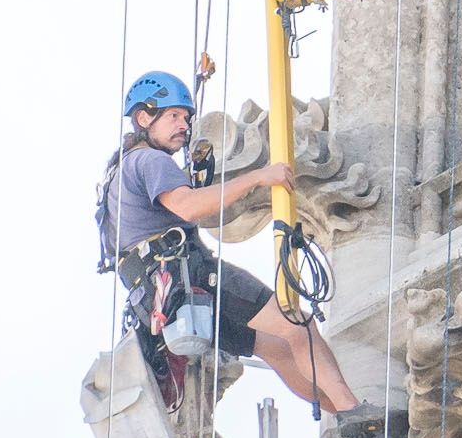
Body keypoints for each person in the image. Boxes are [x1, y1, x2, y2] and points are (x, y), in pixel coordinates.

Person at [98, 69, 361, 414]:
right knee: (298, 324)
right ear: (144, 117)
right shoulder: (151, 160)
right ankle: (354, 411)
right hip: (189, 277)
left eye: (186, 117)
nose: (183, 125)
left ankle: (340, 413)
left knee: (277, 347)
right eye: (173, 115)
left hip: (160, 299)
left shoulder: (119, 174)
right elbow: (188, 207)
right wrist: (258, 177)